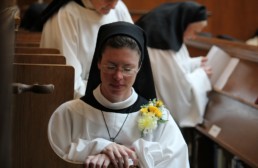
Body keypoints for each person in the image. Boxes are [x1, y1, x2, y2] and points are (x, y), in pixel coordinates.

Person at [48, 21, 190, 168]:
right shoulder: (69, 113)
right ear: (98, 62)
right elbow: (50, 157)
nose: (118, 76)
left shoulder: (160, 119)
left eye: (127, 69)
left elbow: (176, 161)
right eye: (111, 67)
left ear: (139, 67)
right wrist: (98, 146)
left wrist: (133, 157)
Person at [135, 1, 212, 128]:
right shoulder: (162, 45)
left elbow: (174, 68)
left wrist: (195, 63)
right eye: (194, 31)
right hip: (152, 116)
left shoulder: (169, 35)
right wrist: (201, 75)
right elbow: (178, 88)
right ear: (184, 23)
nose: (193, 37)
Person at [38, 0, 133, 98]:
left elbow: (134, 59)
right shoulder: (65, 15)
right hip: (80, 103)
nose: (113, 6)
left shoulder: (119, 9)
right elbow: (69, 82)